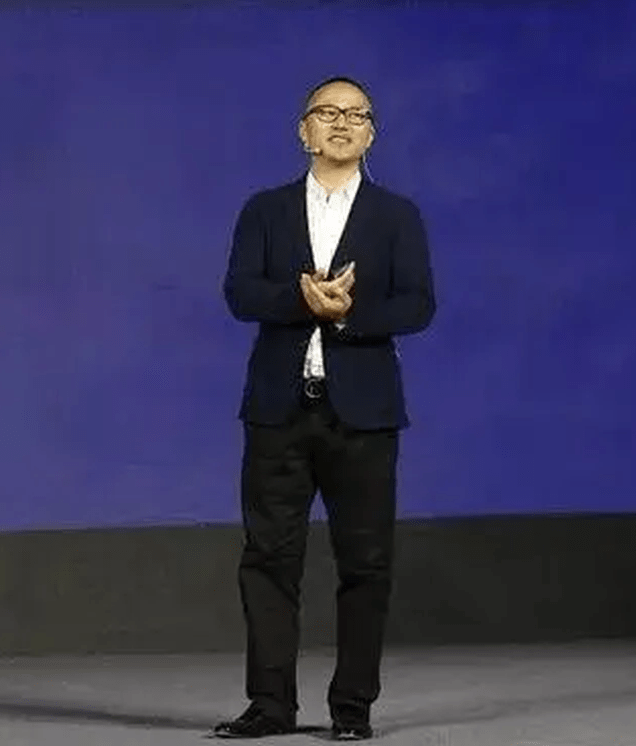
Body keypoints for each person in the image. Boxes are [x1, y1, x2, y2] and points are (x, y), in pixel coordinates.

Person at [214, 75, 436, 741]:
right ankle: (270, 705)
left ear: (371, 134)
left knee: (365, 563)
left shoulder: (397, 216)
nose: (342, 123)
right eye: (328, 112)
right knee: (268, 559)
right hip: (278, 411)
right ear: (303, 131)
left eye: (357, 115)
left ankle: (352, 710)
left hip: (364, 416)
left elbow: (418, 304)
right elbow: (240, 293)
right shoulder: (265, 210)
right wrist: (300, 300)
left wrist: (345, 315)